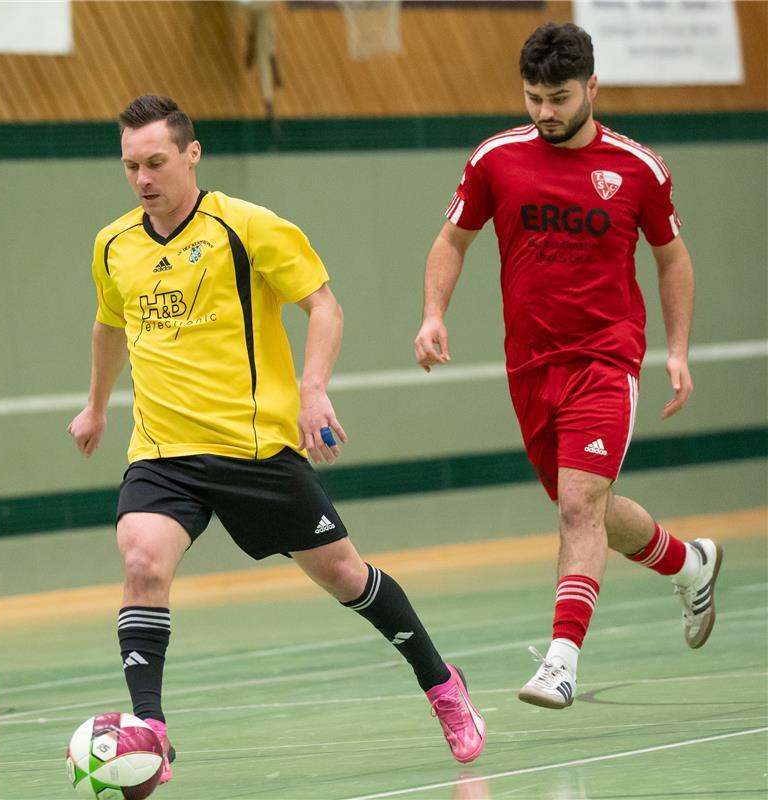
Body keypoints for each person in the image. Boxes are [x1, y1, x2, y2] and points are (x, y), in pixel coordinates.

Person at [68, 94, 486, 780]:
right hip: (163, 452)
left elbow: (324, 306)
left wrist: (312, 389)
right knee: (142, 563)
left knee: (346, 577)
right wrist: (95, 407)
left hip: (254, 449)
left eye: (156, 162)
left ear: (191, 154)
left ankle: (442, 684)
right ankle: (150, 729)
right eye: (130, 166)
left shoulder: (246, 227)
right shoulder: (114, 244)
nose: (143, 178)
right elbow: (108, 325)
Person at [414, 23, 723, 710]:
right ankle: (690, 563)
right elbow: (451, 240)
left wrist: (675, 349)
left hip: (606, 359)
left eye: (558, 97)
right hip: (530, 365)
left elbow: (672, 258)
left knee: (579, 505)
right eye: (533, 98)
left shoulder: (639, 168)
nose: (545, 112)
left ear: (591, 87)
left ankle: (561, 661)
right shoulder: (496, 160)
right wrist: (434, 312)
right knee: (589, 509)